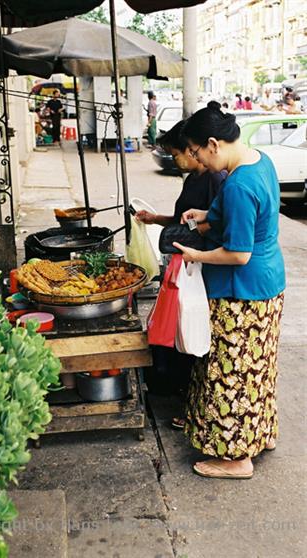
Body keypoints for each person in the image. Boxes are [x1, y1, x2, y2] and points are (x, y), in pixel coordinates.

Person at [171, 101, 285, 479]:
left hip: (243, 292)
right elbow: (250, 214)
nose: (198, 160)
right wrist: (206, 216)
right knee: (258, 367)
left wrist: (194, 254)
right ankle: (260, 433)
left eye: (197, 152)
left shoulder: (238, 184)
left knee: (230, 373)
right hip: (268, 284)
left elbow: (238, 253)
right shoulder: (259, 161)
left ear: (214, 144)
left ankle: (236, 457)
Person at [136, 120, 227, 410]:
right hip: (184, 263)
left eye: (176, 154)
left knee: (193, 330)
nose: (176, 160)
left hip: (201, 267)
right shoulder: (191, 180)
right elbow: (183, 220)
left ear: (191, 150)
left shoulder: (217, 180)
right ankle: (178, 390)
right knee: (177, 329)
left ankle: (191, 399)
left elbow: (217, 227)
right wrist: (155, 218)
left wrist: (197, 245)